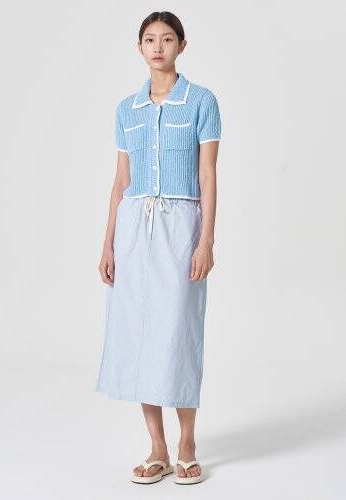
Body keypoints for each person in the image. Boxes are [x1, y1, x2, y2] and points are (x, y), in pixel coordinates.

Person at [95, 11, 221, 485]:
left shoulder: (202, 102)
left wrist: (206, 239)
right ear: (139, 47)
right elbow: (121, 180)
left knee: (177, 333)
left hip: (181, 225)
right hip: (133, 228)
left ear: (181, 46)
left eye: (167, 39)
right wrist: (108, 244)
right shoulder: (127, 109)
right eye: (150, 39)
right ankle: (157, 447)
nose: (158, 47)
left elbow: (207, 174)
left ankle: (187, 444)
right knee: (138, 335)